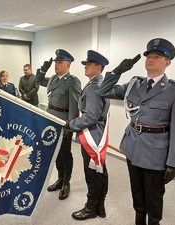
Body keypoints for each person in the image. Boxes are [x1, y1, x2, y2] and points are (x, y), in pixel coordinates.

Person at [99, 38, 175, 225]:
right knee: (137, 193)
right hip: (133, 147)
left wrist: (174, 162)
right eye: (149, 55)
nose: (151, 59)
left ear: (167, 63)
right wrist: (117, 71)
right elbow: (104, 91)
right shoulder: (135, 83)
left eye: (157, 56)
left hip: (156, 153)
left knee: (154, 197)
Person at [65, 50, 110, 220]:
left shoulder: (94, 87)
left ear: (98, 67)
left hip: (91, 135)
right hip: (98, 133)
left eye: (88, 64)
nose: (85, 67)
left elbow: (90, 116)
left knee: (92, 173)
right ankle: (100, 206)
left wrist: (71, 124)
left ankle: (91, 208)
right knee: (100, 171)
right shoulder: (99, 83)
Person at [36, 49, 82, 200]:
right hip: (50, 119)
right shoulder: (53, 79)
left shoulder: (73, 81)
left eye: (59, 62)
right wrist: (43, 69)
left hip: (63, 121)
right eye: (55, 62)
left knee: (65, 153)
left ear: (67, 65)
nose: (56, 65)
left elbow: (74, 105)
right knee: (55, 153)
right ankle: (59, 178)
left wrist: (70, 125)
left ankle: (66, 183)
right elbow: (37, 81)